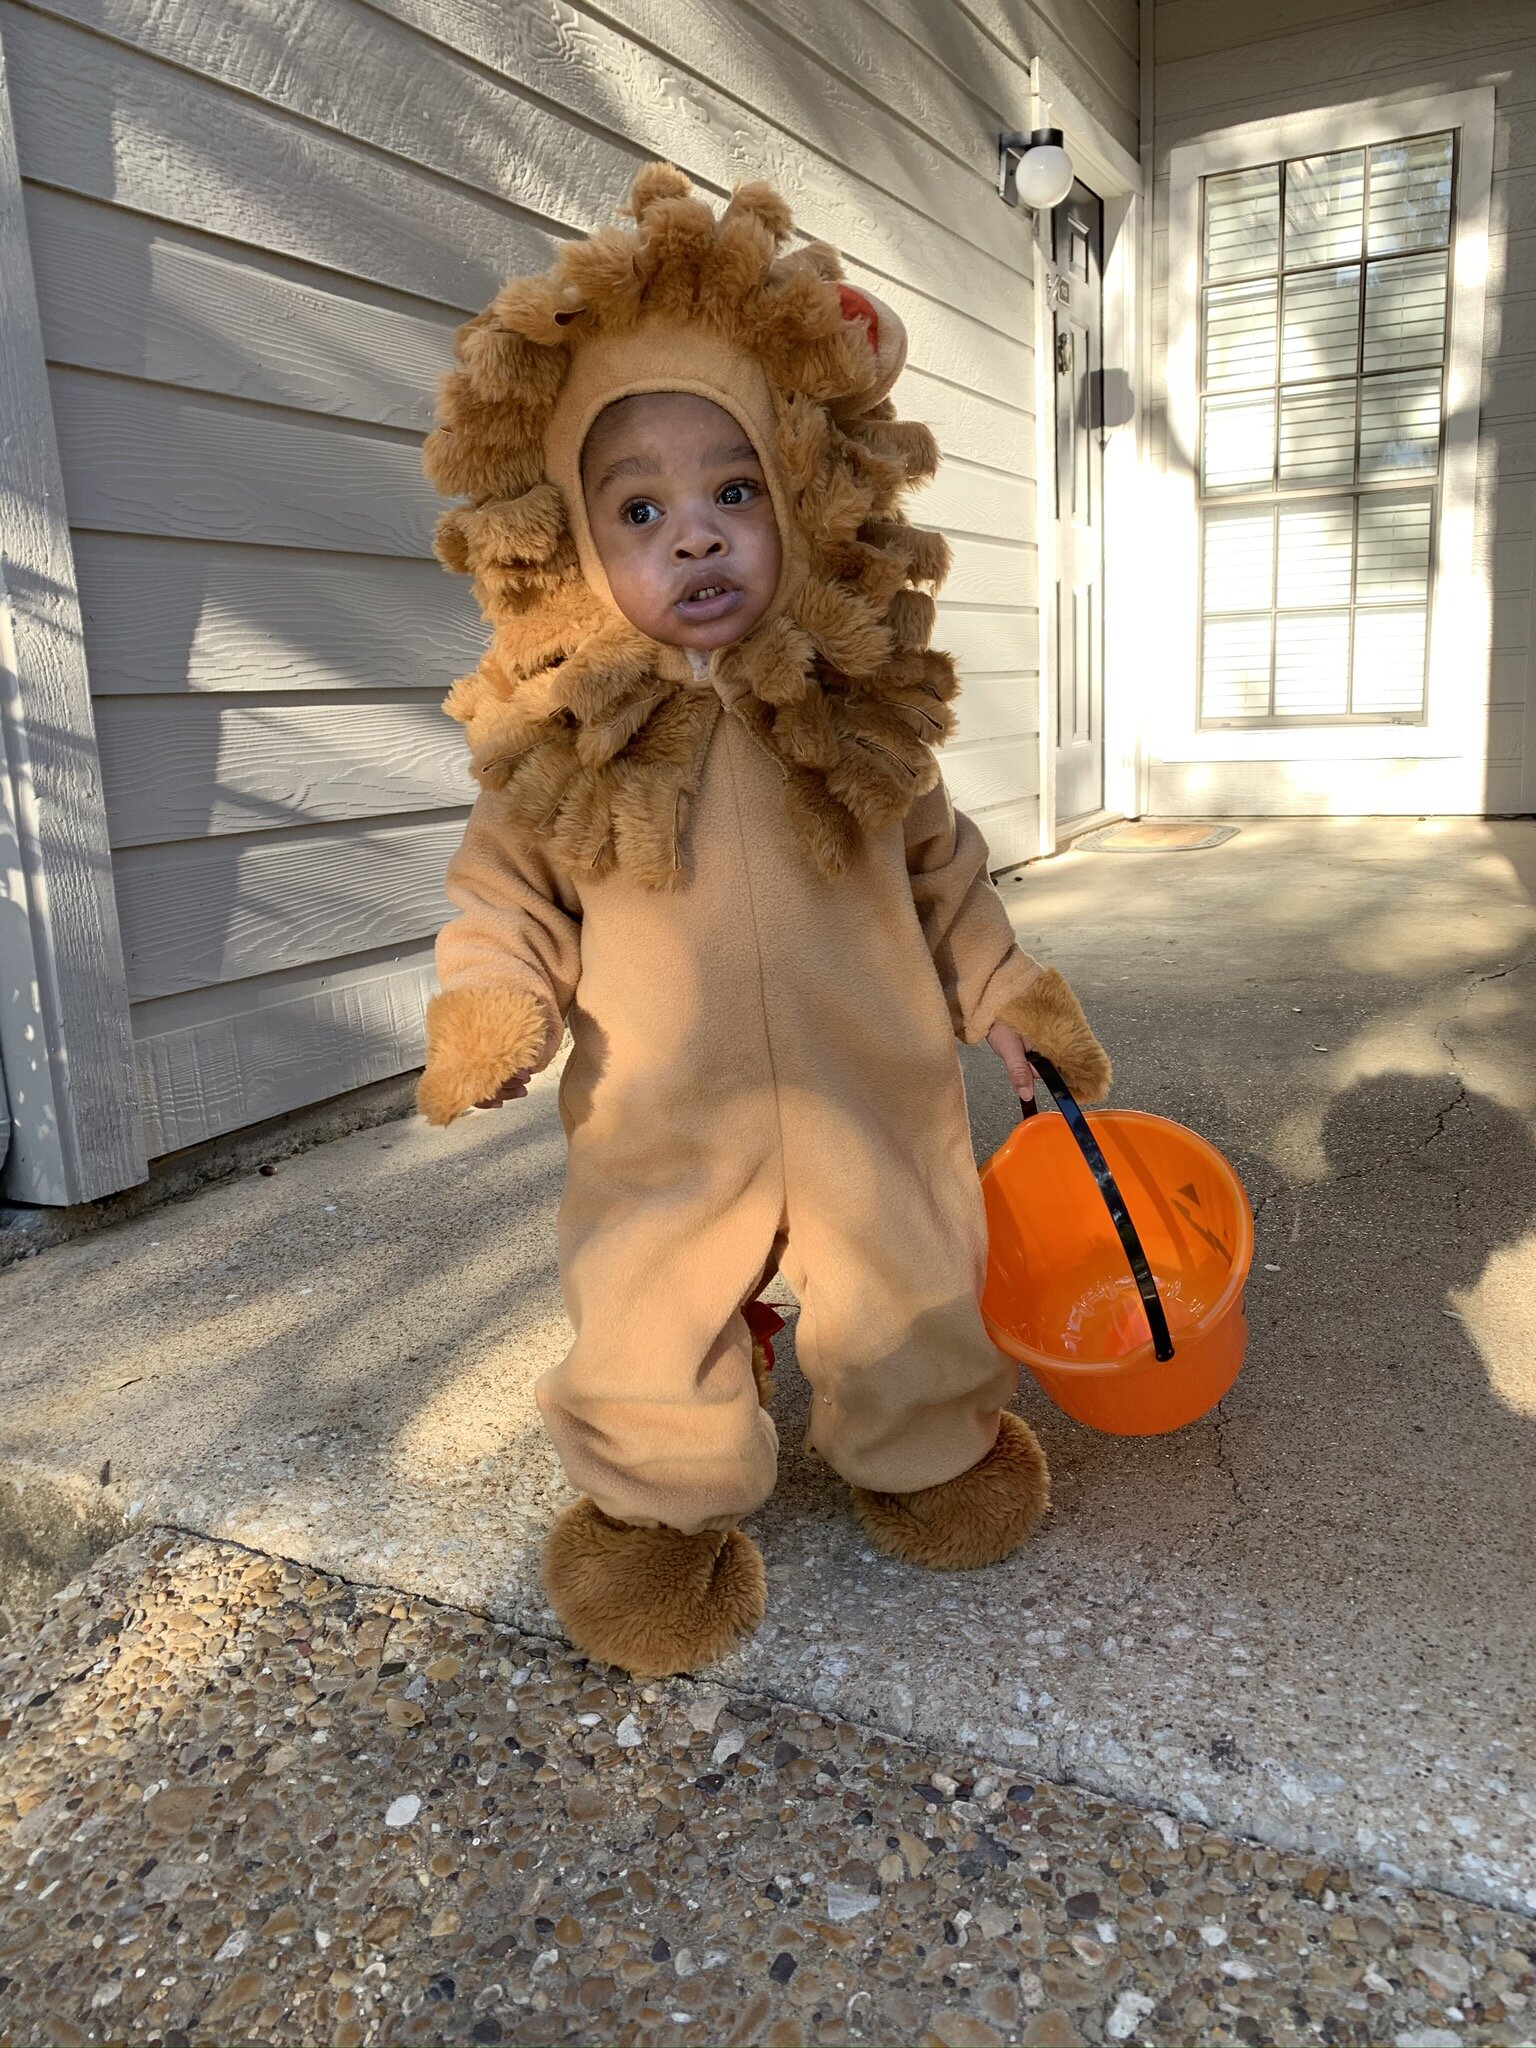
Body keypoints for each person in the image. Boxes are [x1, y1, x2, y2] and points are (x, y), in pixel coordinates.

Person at [415, 165, 1111, 1679]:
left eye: (737, 492)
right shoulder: (564, 739)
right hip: (664, 1116)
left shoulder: (854, 713)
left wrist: (1010, 999)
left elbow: (947, 877)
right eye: (643, 508)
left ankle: (925, 1452)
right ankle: (655, 1514)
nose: (700, 537)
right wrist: (498, 1001)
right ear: (570, 540)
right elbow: (501, 894)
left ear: (809, 493)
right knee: (649, 1303)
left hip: (878, 1088)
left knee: (916, 1271)